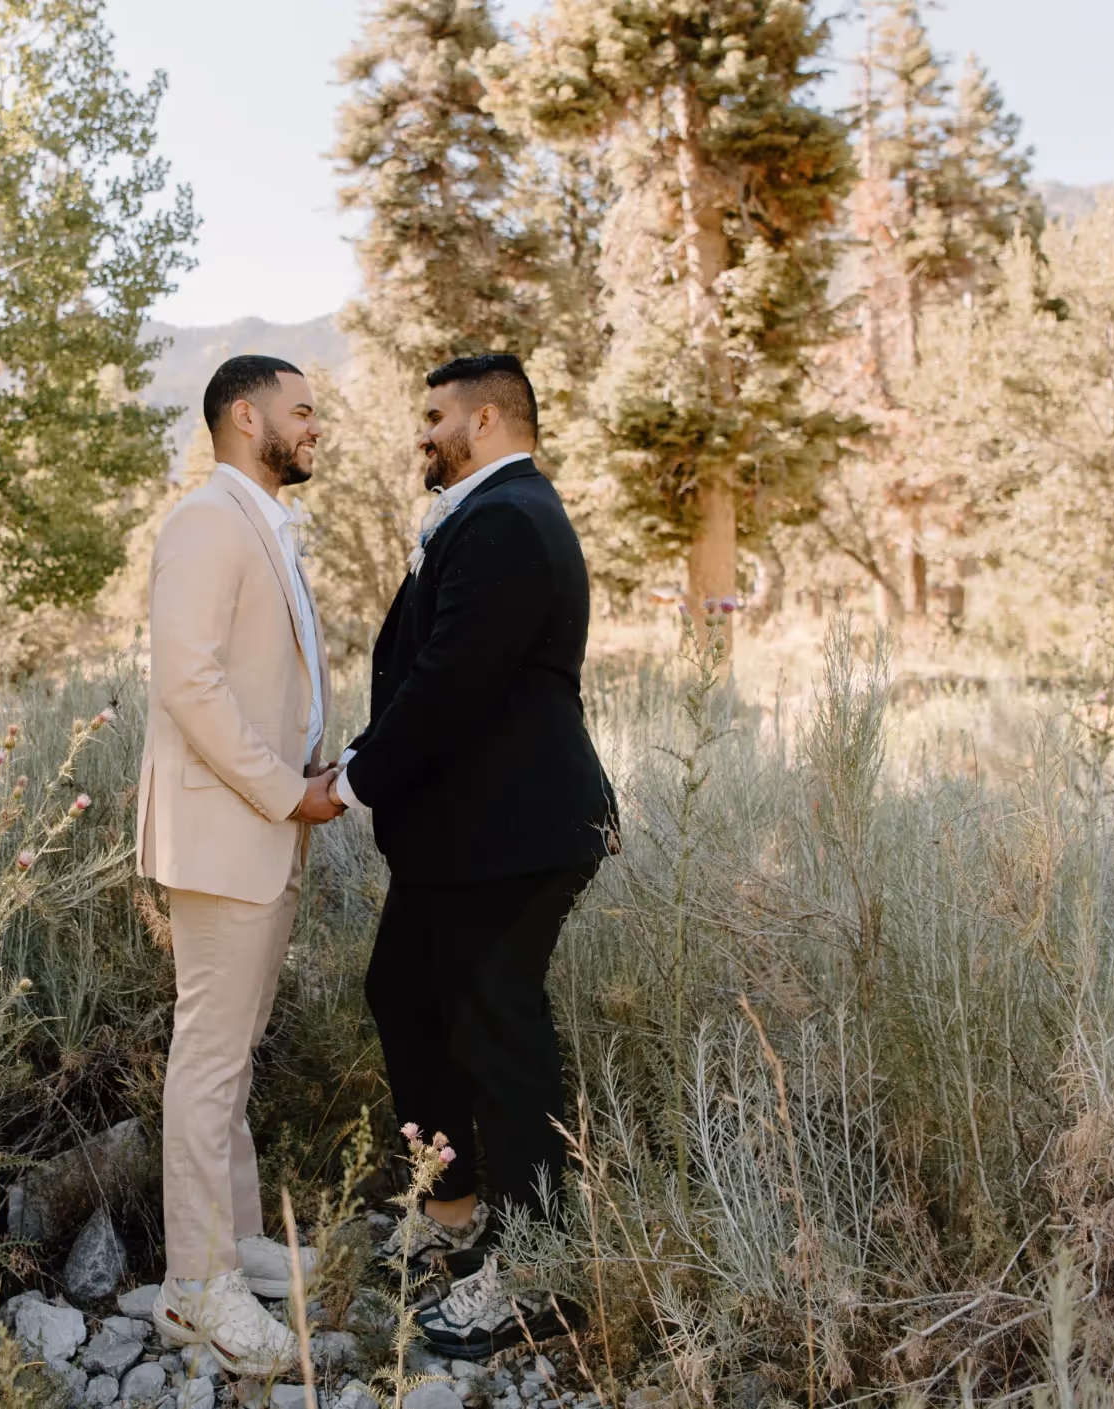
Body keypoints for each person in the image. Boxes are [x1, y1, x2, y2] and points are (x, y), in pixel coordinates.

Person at [327, 353, 617, 1359]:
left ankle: (537, 1271)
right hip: (469, 837)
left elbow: (450, 681)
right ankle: (451, 1216)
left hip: (513, 835)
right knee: (404, 995)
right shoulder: (494, 516)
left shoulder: (505, 521)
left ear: (489, 420)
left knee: (502, 1041)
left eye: (436, 414)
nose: (423, 432)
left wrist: (353, 777)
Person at [137, 353, 342, 1375]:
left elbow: (259, 676)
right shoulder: (208, 521)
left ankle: (240, 1237)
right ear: (244, 413)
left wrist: (312, 761)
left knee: (235, 1044)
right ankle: (195, 1287)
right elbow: (187, 678)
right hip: (229, 828)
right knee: (210, 1053)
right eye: (304, 410)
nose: (316, 426)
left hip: (268, 823)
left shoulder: (261, 523)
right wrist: (281, 787)